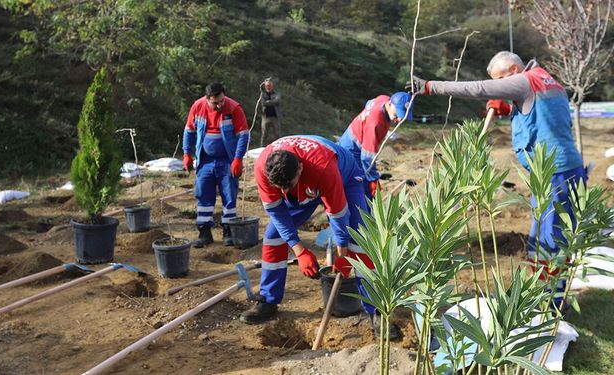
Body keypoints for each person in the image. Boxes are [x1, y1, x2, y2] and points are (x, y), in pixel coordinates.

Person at [408, 51, 585, 306]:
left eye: (501, 81)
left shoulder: (525, 81)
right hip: (554, 171)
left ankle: (553, 304)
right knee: (540, 238)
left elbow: (480, 88)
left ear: (513, 71)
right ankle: (541, 295)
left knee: (551, 240)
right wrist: (512, 104)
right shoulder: (547, 80)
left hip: (557, 173)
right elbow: (541, 117)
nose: (499, 88)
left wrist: (429, 86)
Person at [240, 135, 400, 339]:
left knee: (360, 239)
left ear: (299, 168)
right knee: (273, 237)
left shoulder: (322, 166)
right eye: (279, 188)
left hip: (345, 177)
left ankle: (377, 311)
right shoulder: (263, 167)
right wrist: (299, 250)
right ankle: (268, 300)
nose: (283, 192)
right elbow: (277, 213)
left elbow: (338, 213)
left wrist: (343, 252)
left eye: (287, 185)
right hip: (306, 185)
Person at [182, 82, 250, 247]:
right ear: (207, 99)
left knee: (229, 196)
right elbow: (189, 131)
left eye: (221, 101)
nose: (219, 105)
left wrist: (238, 158)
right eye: (215, 103)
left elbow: (243, 134)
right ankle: (204, 232)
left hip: (227, 161)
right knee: (203, 194)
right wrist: (186, 153)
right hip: (205, 160)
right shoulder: (198, 107)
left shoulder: (234, 108)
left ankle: (228, 231)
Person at [338, 92, 413, 199]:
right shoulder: (375, 123)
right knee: (364, 191)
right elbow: (367, 156)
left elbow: (369, 102)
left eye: (403, 116)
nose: (400, 120)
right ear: (390, 104)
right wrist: (373, 179)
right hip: (352, 151)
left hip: (351, 141)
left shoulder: (383, 99)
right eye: (397, 114)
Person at [259, 79, 282, 146]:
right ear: (265, 86)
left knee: (277, 134)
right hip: (265, 117)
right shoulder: (263, 94)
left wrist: (268, 102)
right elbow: (263, 103)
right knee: (264, 134)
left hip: (275, 116)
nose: (268, 87)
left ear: (272, 86)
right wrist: (272, 101)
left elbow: (277, 101)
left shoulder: (277, 93)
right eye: (267, 85)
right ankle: (262, 148)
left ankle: (279, 147)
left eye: (269, 85)